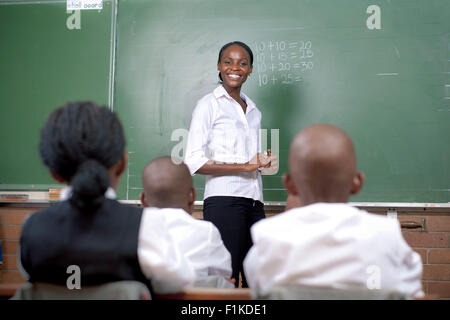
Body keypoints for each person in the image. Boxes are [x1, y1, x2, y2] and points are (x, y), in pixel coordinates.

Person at [19, 101, 195, 296]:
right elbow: (179, 282)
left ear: (55, 173)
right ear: (122, 163)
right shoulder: (145, 226)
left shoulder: (32, 229)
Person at [243, 123, 424, 298]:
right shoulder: (388, 236)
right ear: (358, 182)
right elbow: (411, 294)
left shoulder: (267, 240)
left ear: (289, 184)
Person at [184, 41, 277, 287]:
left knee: (256, 278)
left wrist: (261, 163)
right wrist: (244, 166)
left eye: (242, 63)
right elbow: (193, 161)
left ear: (250, 69)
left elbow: (250, 160)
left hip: (254, 200)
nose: (235, 68)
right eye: (228, 62)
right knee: (227, 278)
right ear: (219, 66)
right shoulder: (208, 105)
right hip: (224, 200)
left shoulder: (254, 110)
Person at [139, 156, 233, 282]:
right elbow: (222, 279)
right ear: (192, 195)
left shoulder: (131, 231)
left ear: (143, 200)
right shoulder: (207, 233)